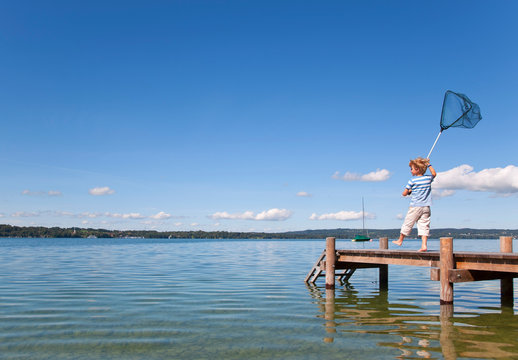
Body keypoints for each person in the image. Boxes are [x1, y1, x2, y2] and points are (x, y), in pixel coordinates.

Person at [392, 157, 436, 252]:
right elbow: (434, 174)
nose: (411, 171)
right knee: (424, 225)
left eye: (411, 168)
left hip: (416, 206)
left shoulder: (412, 181)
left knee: (408, 223)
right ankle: (424, 245)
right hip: (426, 207)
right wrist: (429, 164)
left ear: (417, 169)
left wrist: (409, 191)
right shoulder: (428, 179)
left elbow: (404, 193)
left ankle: (400, 240)